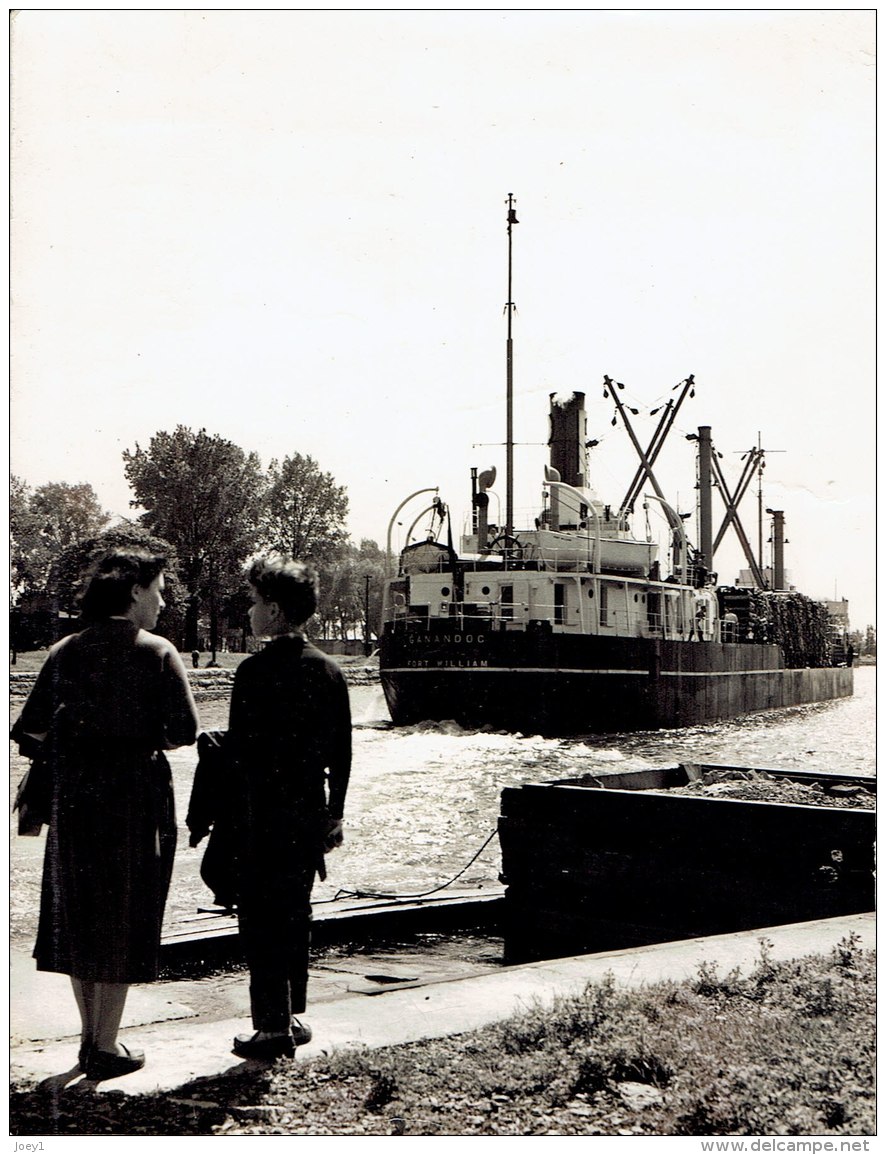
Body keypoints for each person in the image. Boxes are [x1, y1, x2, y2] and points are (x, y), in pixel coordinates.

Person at [11, 549, 199, 1080]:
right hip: (136, 799)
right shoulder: (157, 651)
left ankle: (89, 1040)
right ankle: (106, 1045)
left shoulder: (64, 650)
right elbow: (182, 731)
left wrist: (78, 744)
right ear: (135, 591)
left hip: (74, 801)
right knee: (124, 914)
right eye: (158, 590)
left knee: (80, 916)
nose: (162, 601)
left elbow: (29, 730)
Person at [226, 554, 351, 1060]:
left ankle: (271, 1026)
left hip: (260, 813)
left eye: (255, 602)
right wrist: (334, 814)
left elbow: (237, 754)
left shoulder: (253, 672)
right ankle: (292, 1014)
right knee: (296, 912)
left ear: (274, 610)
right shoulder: (328, 670)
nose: (249, 611)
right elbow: (340, 752)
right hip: (306, 809)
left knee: (258, 916)